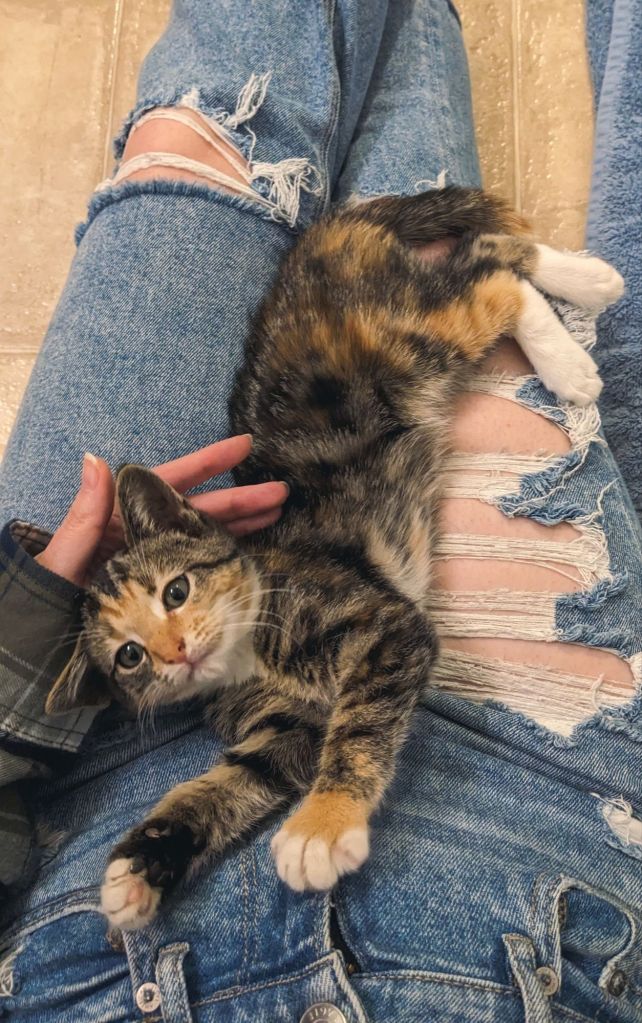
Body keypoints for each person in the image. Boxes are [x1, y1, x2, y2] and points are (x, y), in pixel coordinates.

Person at [0, 1, 641, 1020]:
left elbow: (379, 646)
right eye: (133, 657)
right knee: (392, 207)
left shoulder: (272, 597)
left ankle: (479, 230)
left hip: (335, 409)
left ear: (197, 556)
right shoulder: (222, 694)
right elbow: (279, 752)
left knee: (209, 146)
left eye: (169, 601)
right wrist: (175, 835)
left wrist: (14, 663)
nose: (169, 649)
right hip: (531, 798)